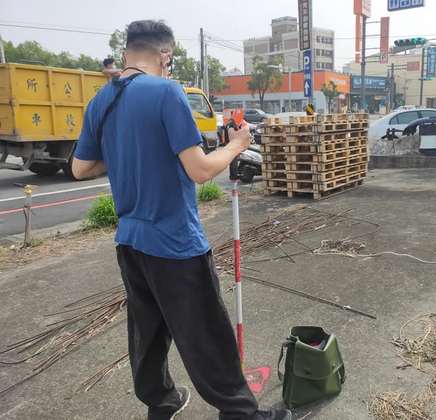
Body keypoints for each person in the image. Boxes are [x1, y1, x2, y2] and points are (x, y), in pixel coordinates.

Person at [72, 20, 291, 420]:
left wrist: (129, 152)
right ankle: (242, 414)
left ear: (126, 54)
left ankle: (161, 402)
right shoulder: (167, 91)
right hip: (174, 243)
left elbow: (80, 167)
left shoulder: (101, 100)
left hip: (130, 242)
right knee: (207, 333)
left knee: (147, 331)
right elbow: (201, 170)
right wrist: (238, 144)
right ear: (165, 55)